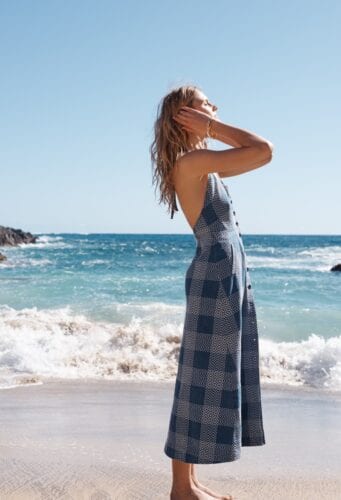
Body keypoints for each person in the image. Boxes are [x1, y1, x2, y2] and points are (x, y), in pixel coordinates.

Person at [150, 84, 274, 500]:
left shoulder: (202, 163)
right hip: (216, 275)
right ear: (186, 114)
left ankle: (189, 483)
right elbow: (263, 151)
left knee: (204, 376)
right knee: (196, 378)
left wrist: (209, 123)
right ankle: (180, 489)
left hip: (224, 273)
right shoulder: (193, 161)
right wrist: (214, 127)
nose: (215, 107)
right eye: (206, 103)